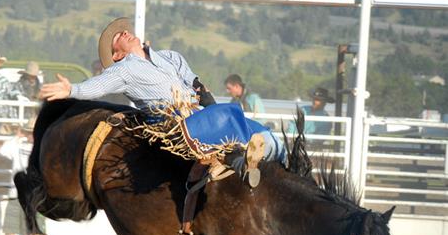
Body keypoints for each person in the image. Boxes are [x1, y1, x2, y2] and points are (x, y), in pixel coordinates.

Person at [40, 17, 287, 187]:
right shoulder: (123, 70)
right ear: (117, 54)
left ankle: (273, 156)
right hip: (177, 126)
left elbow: (195, 82)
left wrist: (205, 97)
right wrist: (71, 89)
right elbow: (97, 86)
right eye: (119, 37)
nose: (125, 32)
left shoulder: (170, 57)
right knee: (228, 114)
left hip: (200, 115)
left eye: (124, 31)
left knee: (255, 128)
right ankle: (239, 158)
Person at [0, 116, 45, 235]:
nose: (30, 135)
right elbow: (2, 150)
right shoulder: (18, 145)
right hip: (17, 195)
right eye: (28, 132)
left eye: (32, 132)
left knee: (34, 232)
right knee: (10, 229)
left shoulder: (43, 148)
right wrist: (17, 137)